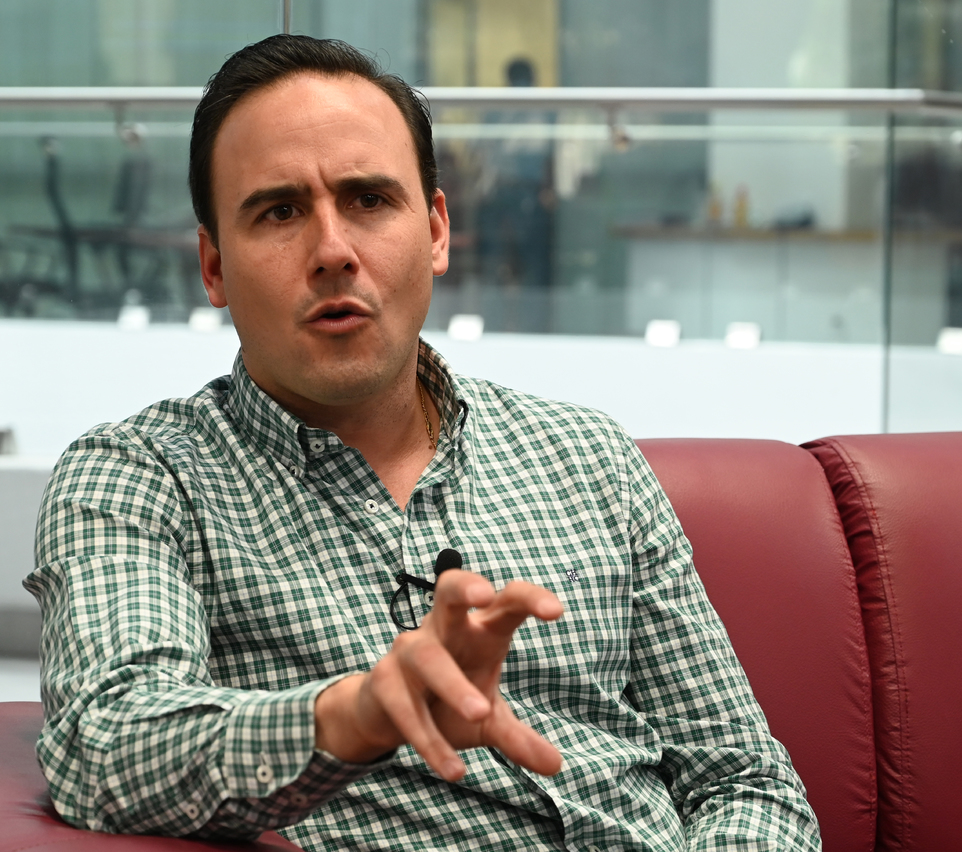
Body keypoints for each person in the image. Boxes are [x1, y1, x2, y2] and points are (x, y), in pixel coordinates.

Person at [25, 35, 821, 851]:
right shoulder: (141, 476)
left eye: (369, 200)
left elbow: (746, 781)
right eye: (280, 212)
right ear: (214, 266)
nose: (333, 252)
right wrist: (354, 715)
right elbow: (106, 743)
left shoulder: (589, 458)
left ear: (436, 231)